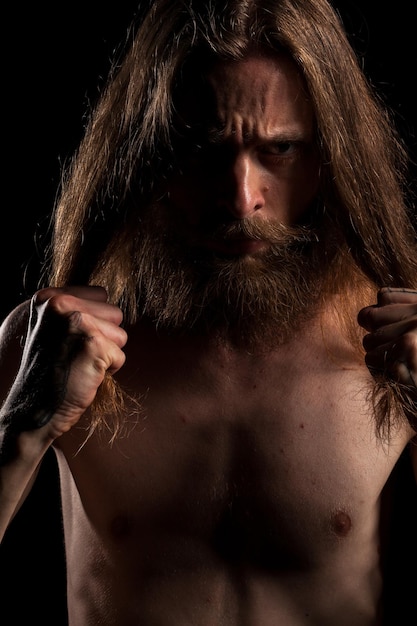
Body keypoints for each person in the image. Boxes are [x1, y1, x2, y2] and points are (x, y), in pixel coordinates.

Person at [1, 0, 416, 624]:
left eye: (279, 151)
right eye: (202, 149)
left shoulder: (396, 341)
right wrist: (21, 428)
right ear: (149, 155)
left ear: (332, 156)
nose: (241, 196)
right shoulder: (56, 342)